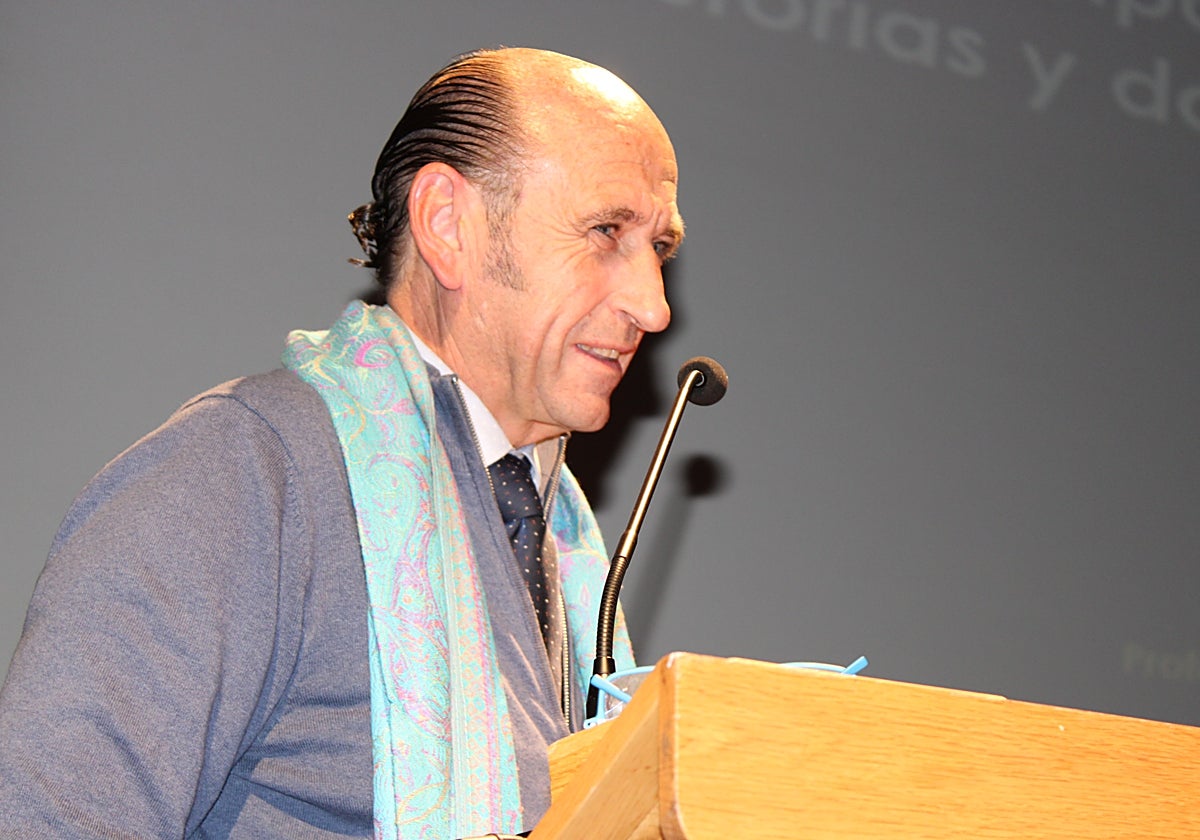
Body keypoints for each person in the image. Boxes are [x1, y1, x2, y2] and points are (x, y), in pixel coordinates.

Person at [0, 47, 683, 839]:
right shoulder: (241, 473)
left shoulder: (559, 543)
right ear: (447, 224)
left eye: (660, 249)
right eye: (606, 231)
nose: (653, 306)